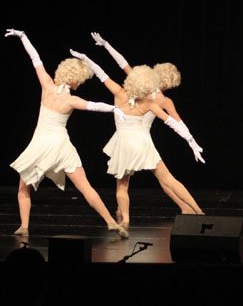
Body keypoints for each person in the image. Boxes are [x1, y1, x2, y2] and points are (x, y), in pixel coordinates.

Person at [5, 29, 128, 239]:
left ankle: (24, 226)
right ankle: (111, 223)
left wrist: (23, 36)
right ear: (74, 80)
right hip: (61, 147)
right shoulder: (71, 100)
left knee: (23, 188)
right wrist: (115, 109)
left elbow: (35, 58)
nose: (80, 84)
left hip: (40, 144)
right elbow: (94, 105)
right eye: (80, 80)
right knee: (85, 187)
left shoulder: (47, 86)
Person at [69, 50, 204, 228]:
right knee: (168, 179)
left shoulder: (119, 93)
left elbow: (103, 74)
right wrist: (191, 141)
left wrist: (88, 58)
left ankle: (125, 220)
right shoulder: (150, 103)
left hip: (123, 144)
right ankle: (198, 211)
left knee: (122, 186)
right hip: (142, 143)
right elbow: (172, 122)